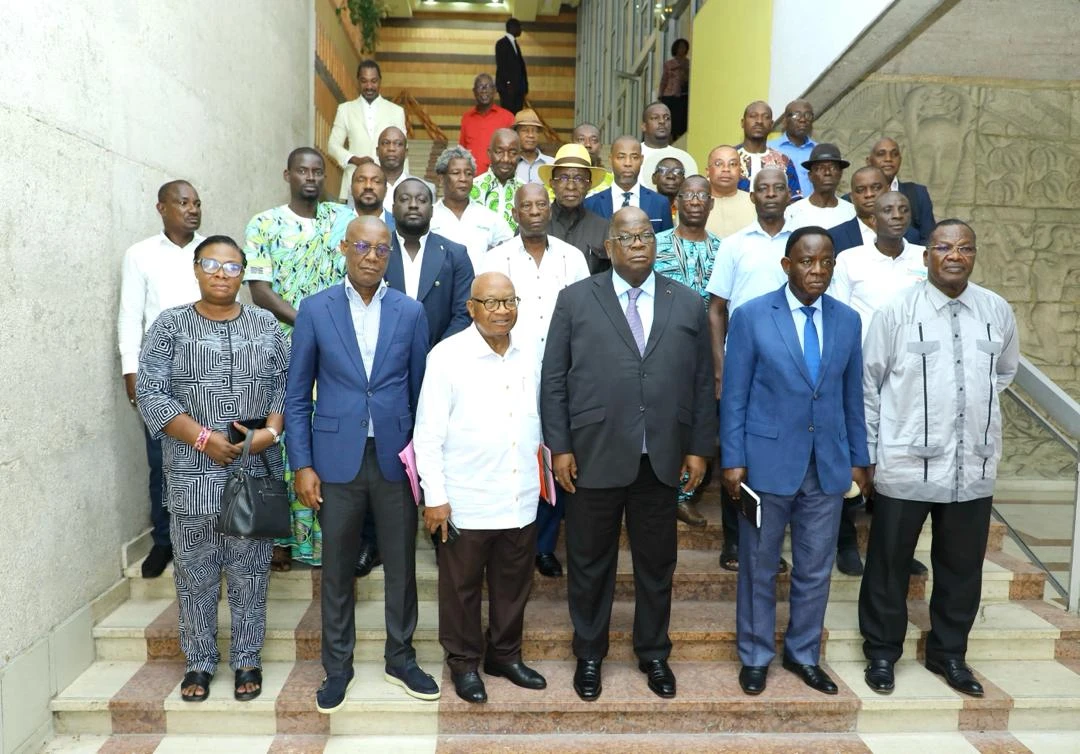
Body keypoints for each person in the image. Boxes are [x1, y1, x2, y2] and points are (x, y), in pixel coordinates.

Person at [541, 207, 717, 702]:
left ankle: (654, 653)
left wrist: (700, 449)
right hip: (593, 455)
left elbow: (702, 381)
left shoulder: (685, 302)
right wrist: (560, 446)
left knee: (656, 565)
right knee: (590, 563)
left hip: (660, 458)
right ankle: (590, 655)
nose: (638, 243)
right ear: (610, 246)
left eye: (646, 235)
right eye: (627, 236)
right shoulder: (576, 300)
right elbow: (554, 379)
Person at [285, 216, 439, 712]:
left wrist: (426, 464)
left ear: (389, 255)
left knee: (401, 564)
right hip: (334, 459)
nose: (371, 256)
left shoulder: (411, 312)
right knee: (336, 569)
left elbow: (422, 396)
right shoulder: (315, 309)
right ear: (345, 249)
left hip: (395, 458)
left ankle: (401, 658)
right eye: (362, 246)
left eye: (380, 249)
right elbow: (295, 396)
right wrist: (303, 464)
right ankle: (338, 667)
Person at [858, 220, 1018, 698]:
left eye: (964, 248)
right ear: (926, 254)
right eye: (944, 247)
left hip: (972, 467)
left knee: (962, 569)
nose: (954, 255)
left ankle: (949, 656)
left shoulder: (996, 310)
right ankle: (883, 654)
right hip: (905, 464)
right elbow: (869, 385)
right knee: (888, 565)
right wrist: (867, 455)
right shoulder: (896, 312)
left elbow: (1003, 372)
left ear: (974, 255)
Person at [137, 235, 288, 704]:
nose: (222, 274)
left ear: (244, 274)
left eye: (232, 267)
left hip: (254, 470)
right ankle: (199, 662)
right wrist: (204, 439)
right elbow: (151, 393)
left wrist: (270, 434)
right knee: (195, 571)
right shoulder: (171, 326)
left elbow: (285, 387)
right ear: (197, 270)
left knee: (250, 570)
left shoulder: (266, 324)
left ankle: (247, 658)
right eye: (212, 264)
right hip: (189, 470)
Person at [720, 226, 870, 697]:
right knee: (759, 567)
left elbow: (853, 397)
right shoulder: (751, 316)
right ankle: (756, 655)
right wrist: (733, 459)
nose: (818, 270)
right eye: (807, 261)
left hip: (826, 466)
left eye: (826, 261)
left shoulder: (847, 321)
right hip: (764, 465)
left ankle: (804, 654)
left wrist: (859, 460)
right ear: (787, 265)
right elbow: (735, 396)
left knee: (814, 568)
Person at [414, 272, 548, 704]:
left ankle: (504, 656)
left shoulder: (530, 353)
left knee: (513, 586)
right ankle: (465, 663)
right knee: (462, 588)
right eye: (490, 303)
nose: (501, 310)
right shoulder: (447, 356)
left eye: (509, 301)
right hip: (465, 498)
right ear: (470, 308)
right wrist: (435, 498)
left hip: (519, 493)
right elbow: (427, 435)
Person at [244, 148, 351, 571]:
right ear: (287, 174)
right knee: (280, 443)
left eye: (317, 171)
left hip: (334, 349)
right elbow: (259, 289)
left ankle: (325, 541)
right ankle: (280, 539)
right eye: (302, 170)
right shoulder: (264, 223)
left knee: (323, 440)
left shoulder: (339, 221)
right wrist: (309, 323)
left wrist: (328, 331)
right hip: (280, 347)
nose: (310, 177)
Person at [479, 184, 590, 579]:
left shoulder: (572, 258)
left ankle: (543, 546)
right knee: (518, 455)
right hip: (511, 374)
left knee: (555, 453)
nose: (535, 211)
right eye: (526, 205)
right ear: (515, 213)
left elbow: (584, 318)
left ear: (550, 208)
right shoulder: (495, 259)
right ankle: (512, 542)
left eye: (541, 204)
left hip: (563, 377)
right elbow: (483, 318)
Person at [829, 191, 928, 577]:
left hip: (908, 381)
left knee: (900, 467)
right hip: (858, 376)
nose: (896, 215)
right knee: (850, 460)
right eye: (888, 209)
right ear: (872, 216)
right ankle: (846, 543)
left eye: (903, 209)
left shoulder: (923, 258)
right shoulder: (850, 259)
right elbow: (835, 314)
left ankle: (898, 548)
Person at [706, 168, 793, 573]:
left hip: (789, 367)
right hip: (743, 365)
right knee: (735, 451)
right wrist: (721, 367)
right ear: (752, 196)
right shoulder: (734, 245)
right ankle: (735, 542)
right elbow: (716, 309)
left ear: (789, 195)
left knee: (773, 457)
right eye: (763, 189)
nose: (771, 194)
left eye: (778, 188)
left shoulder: (801, 243)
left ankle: (769, 544)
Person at [118, 180, 204, 578]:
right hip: (160, 374)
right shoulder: (140, 255)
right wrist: (131, 371)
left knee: (209, 461)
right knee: (162, 462)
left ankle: (208, 541)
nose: (192, 209)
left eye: (196, 203)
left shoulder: (211, 252)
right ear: (161, 208)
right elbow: (130, 316)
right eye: (183, 202)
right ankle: (164, 541)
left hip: (209, 376)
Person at [653, 175, 722, 530]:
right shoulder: (655, 244)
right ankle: (661, 493)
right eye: (688, 195)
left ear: (712, 203)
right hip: (662, 350)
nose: (696, 200)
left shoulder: (726, 249)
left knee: (700, 423)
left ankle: (684, 495)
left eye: (702, 195)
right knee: (665, 422)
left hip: (709, 348)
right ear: (675, 202)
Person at [387, 178, 475, 348]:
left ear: (432, 210)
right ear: (392, 209)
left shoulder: (456, 255)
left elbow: (463, 314)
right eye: (405, 199)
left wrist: (437, 356)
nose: (413, 205)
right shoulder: (377, 251)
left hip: (440, 360)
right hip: (385, 362)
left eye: (421, 200)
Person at [328, 60, 409, 202]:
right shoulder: (345, 110)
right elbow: (332, 146)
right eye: (364, 81)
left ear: (380, 81)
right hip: (354, 184)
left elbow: (403, 151)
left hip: (387, 186)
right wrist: (355, 159)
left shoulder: (396, 111)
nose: (369, 86)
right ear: (358, 81)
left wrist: (405, 185)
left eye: (374, 81)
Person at [429, 145, 513, 270]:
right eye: (456, 173)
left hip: (480, 287)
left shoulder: (489, 218)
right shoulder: (429, 217)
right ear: (441, 178)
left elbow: (509, 254)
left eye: (468, 174)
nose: (463, 179)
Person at [542, 143, 611, 274]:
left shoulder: (603, 228)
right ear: (552, 183)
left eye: (579, 179)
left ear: (589, 185)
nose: (571, 186)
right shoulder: (535, 225)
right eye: (563, 178)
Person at [584, 136, 674, 234]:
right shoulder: (590, 204)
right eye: (621, 157)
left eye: (634, 157)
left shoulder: (660, 203)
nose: (628, 163)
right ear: (610, 159)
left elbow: (666, 246)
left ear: (641, 159)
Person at [866, 137, 936, 244]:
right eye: (881, 154)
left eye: (894, 154)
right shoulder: (854, 199)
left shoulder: (917, 193)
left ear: (900, 160)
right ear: (869, 161)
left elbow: (929, 239)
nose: (888, 159)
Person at [735, 101, 801, 200]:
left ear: (771, 125)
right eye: (753, 116)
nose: (759, 121)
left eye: (765, 117)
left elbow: (795, 200)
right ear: (742, 123)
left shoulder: (784, 161)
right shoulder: (728, 158)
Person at [784, 144, 856, 230]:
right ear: (810, 175)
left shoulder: (852, 212)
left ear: (840, 174)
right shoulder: (792, 212)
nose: (827, 173)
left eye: (833, 168)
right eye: (820, 168)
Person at [460, 74, 515, 176]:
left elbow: (514, 152)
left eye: (488, 86)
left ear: (494, 90)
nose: (484, 90)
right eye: (480, 86)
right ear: (474, 91)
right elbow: (462, 151)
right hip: (471, 181)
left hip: (499, 180)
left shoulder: (508, 117)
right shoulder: (466, 118)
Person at [330, 158, 395, 243]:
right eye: (361, 180)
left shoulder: (399, 227)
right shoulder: (333, 222)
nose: (368, 186)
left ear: (386, 190)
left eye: (376, 181)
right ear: (351, 189)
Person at [471, 128, 524, 232]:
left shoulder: (525, 192)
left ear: (520, 155)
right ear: (489, 153)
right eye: (499, 152)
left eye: (513, 153)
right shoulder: (472, 188)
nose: (506, 159)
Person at [639, 102, 699, 191]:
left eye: (667, 118)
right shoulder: (633, 155)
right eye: (655, 118)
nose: (662, 121)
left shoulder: (681, 158)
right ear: (643, 126)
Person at [828, 166, 887, 253]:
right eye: (860, 190)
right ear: (851, 197)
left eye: (876, 187)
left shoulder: (910, 234)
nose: (869, 194)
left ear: (889, 190)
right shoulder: (833, 238)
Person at [704, 145, 756, 239]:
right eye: (719, 164)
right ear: (707, 171)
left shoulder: (755, 203)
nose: (726, 169)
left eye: (732, 164)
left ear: (740, 171)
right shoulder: (695, 204)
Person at [767, 99, 817, 197]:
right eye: (796, 115)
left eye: (808, 115)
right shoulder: (769, 149)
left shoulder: (819, 151)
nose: (802, 119)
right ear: (785, 121)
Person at [375, 127, 420, 214]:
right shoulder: (363, 188)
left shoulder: (423, 187)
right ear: (377, 151)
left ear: (406, 152)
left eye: (398, 144)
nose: (391, 148)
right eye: (385, 143)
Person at [658, 39, 690, 142]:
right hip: (669, 94)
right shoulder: (669, 64)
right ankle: (669, 139)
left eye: (684, 47)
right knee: (669, 119)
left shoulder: (688, 63)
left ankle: (679, 138)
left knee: (680, 119)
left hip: (683, 95)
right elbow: (664, 79)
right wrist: (660, 94)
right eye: (680, 47)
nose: (682, 49)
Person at [495, 18, 528, 114]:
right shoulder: (501, 43)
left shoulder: (515, 44)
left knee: (516, 117)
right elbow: (501, 66)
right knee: (508, 116)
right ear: (513, 27)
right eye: (519, 27)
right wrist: (508, 84)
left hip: (518, 90)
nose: (520, 30)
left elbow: (520, 67)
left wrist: (524, 88)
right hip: (508, 89)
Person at [572, 122, 614, 196]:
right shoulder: (559, 180)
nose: (588, 144)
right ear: (571, 144)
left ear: (600, 147)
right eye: (581, 139)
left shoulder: (611, 182)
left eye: (594, 140)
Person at [513, 108, 553, 183]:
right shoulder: (509, 164)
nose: (531, 135)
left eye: (535, 131)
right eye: (525, 130)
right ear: (516, 133)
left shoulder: (551, 164)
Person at [651, 157, 685, 225]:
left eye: (677, 172)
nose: (671, 176)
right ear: (654, 178)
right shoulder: (644, 207)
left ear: (684, 181)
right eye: (663, 170)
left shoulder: (690, 210)